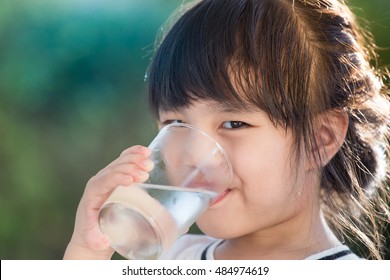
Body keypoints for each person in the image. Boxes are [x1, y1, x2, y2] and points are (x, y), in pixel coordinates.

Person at [64, 0, 389, 260]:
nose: (194, 154)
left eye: (234, 123)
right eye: (176, 124)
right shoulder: (175, 259)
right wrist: (89, 251)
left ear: (321, 139)